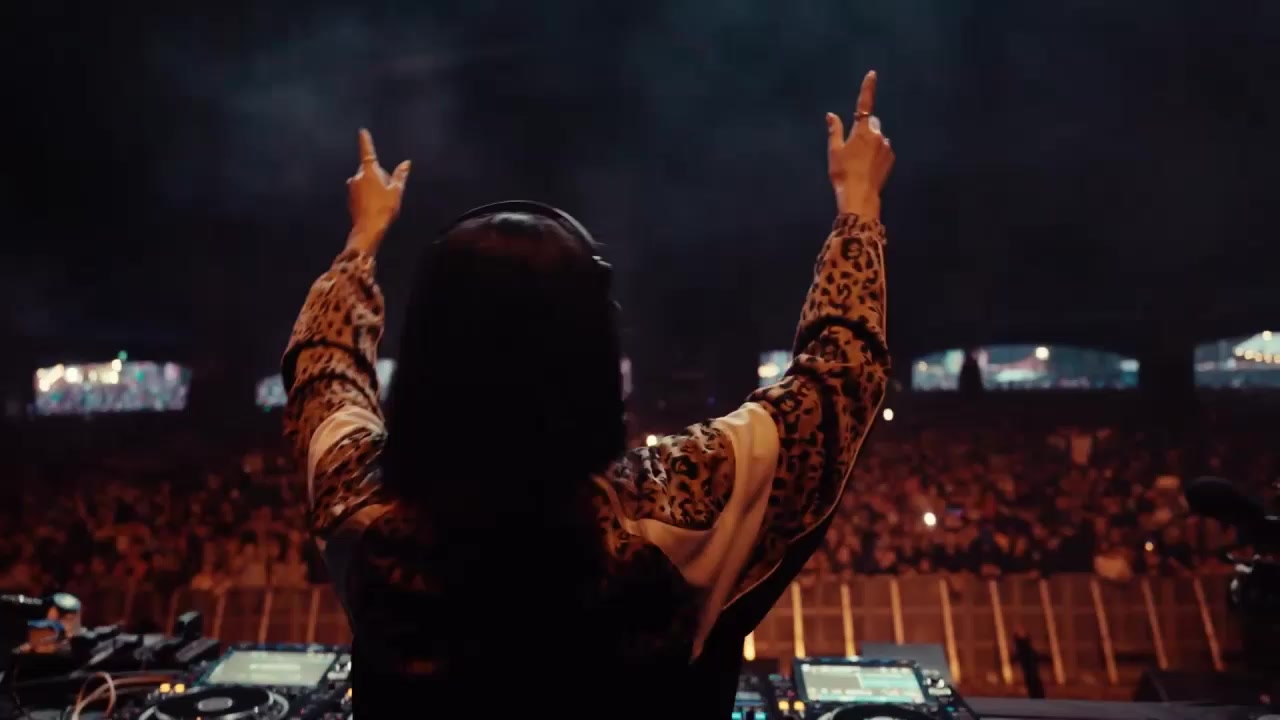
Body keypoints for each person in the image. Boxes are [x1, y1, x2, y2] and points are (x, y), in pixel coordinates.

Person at [282, 70, 894, 718]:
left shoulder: (359, 501)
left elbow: (324, 366)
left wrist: (364, 237)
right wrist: (858, 203)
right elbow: (839, 375)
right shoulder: (677, 506)